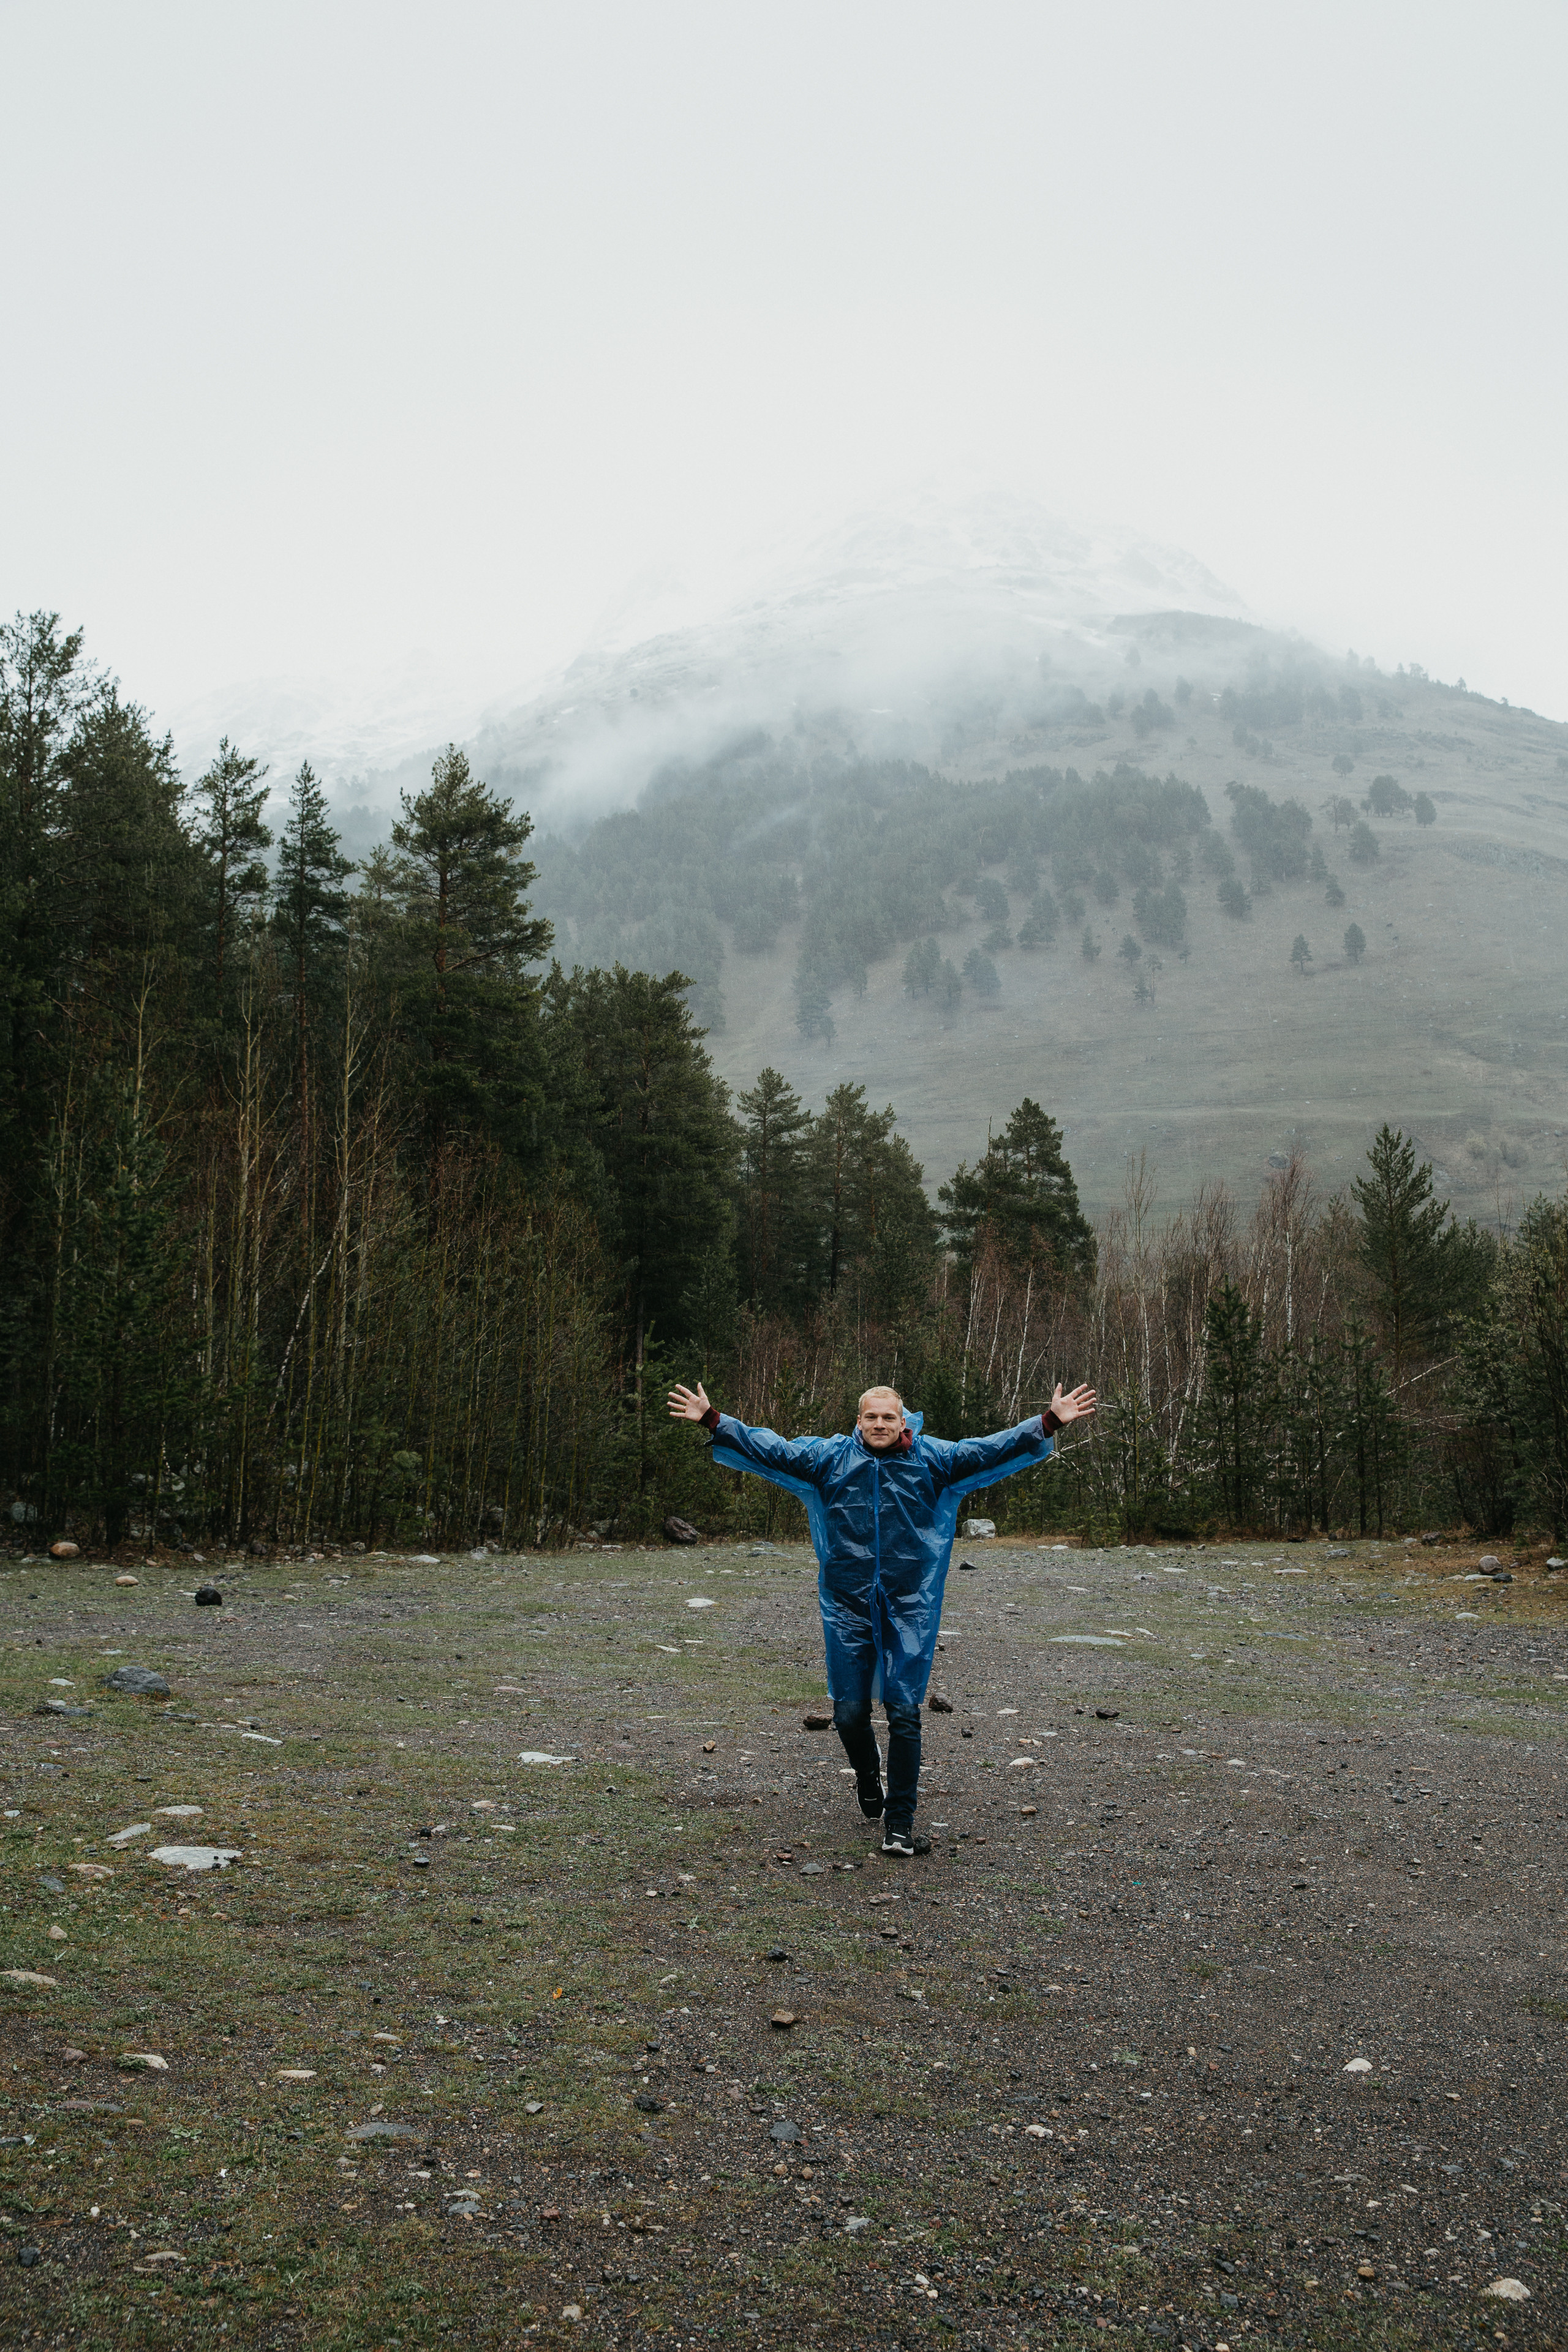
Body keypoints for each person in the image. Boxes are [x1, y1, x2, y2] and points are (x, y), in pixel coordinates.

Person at [666, 1377, 1097, 1855]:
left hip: (910, 1603)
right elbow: (772, 1449)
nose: (879, 1424)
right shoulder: (830, 1458)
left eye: (888, 1417)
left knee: (904, 1710)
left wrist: (1048, 1422)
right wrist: (714, 1419)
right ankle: (869, 1779)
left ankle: (900, 1824)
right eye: (870, 1416)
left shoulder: (932, 1458)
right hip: (847, 1603)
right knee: (849, 1713)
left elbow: (988, 1450)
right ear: (858, 1421)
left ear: (903, 1421)